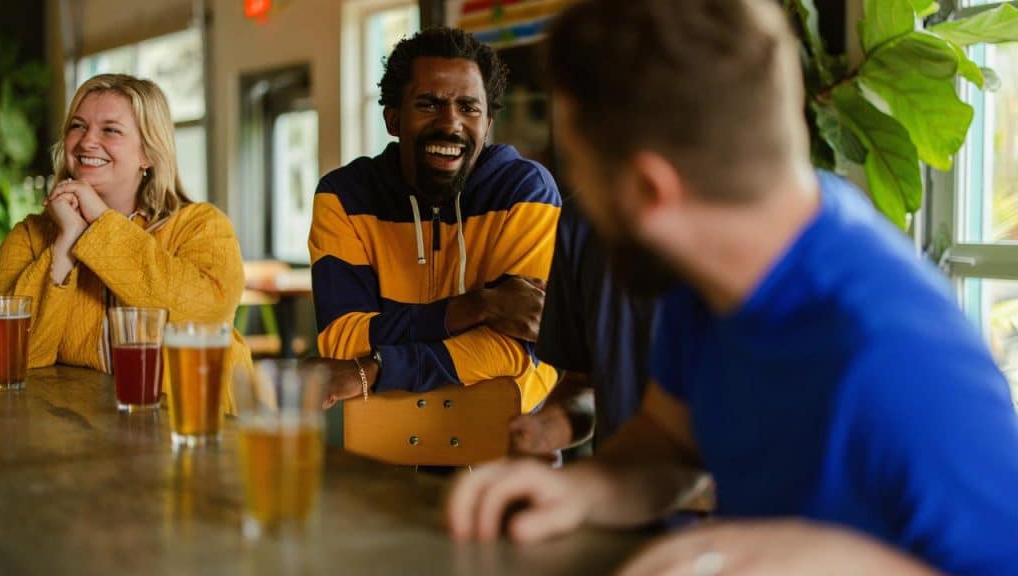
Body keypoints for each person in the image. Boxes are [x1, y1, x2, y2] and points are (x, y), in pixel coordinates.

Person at [445, 1, 1018, 574]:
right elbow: (669, 443)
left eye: (579, 169)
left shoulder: (898, 355)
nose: (578, 199)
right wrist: (585, 491)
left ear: (650, 190)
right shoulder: (705, 276)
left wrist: (833, 560)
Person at [309, 28, 560, 413]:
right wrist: (482, 307)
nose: (451, 124)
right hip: (386, 445)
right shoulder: (345, 196)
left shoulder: (525, 190)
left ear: (488, 121)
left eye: (468, 107)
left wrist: (376, 368)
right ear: (394, 119)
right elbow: (342, 340)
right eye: (428, 104)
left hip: (505, 449)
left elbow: (518, 348)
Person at [0, 74, 251, 412]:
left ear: (148, 152)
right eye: (77, 126)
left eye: (110, 130)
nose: (87, 141)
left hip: (202, 425)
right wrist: (66, 242)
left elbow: (203, 315)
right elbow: (12, 360)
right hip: (87, 434)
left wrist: (100, 224)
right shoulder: (29, 237)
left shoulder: (202, 227)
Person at [509, 197, 658, 455]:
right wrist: (546, 431)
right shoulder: (581, 221)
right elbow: (584, 384)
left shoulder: (739, 225)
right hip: (617, 483)